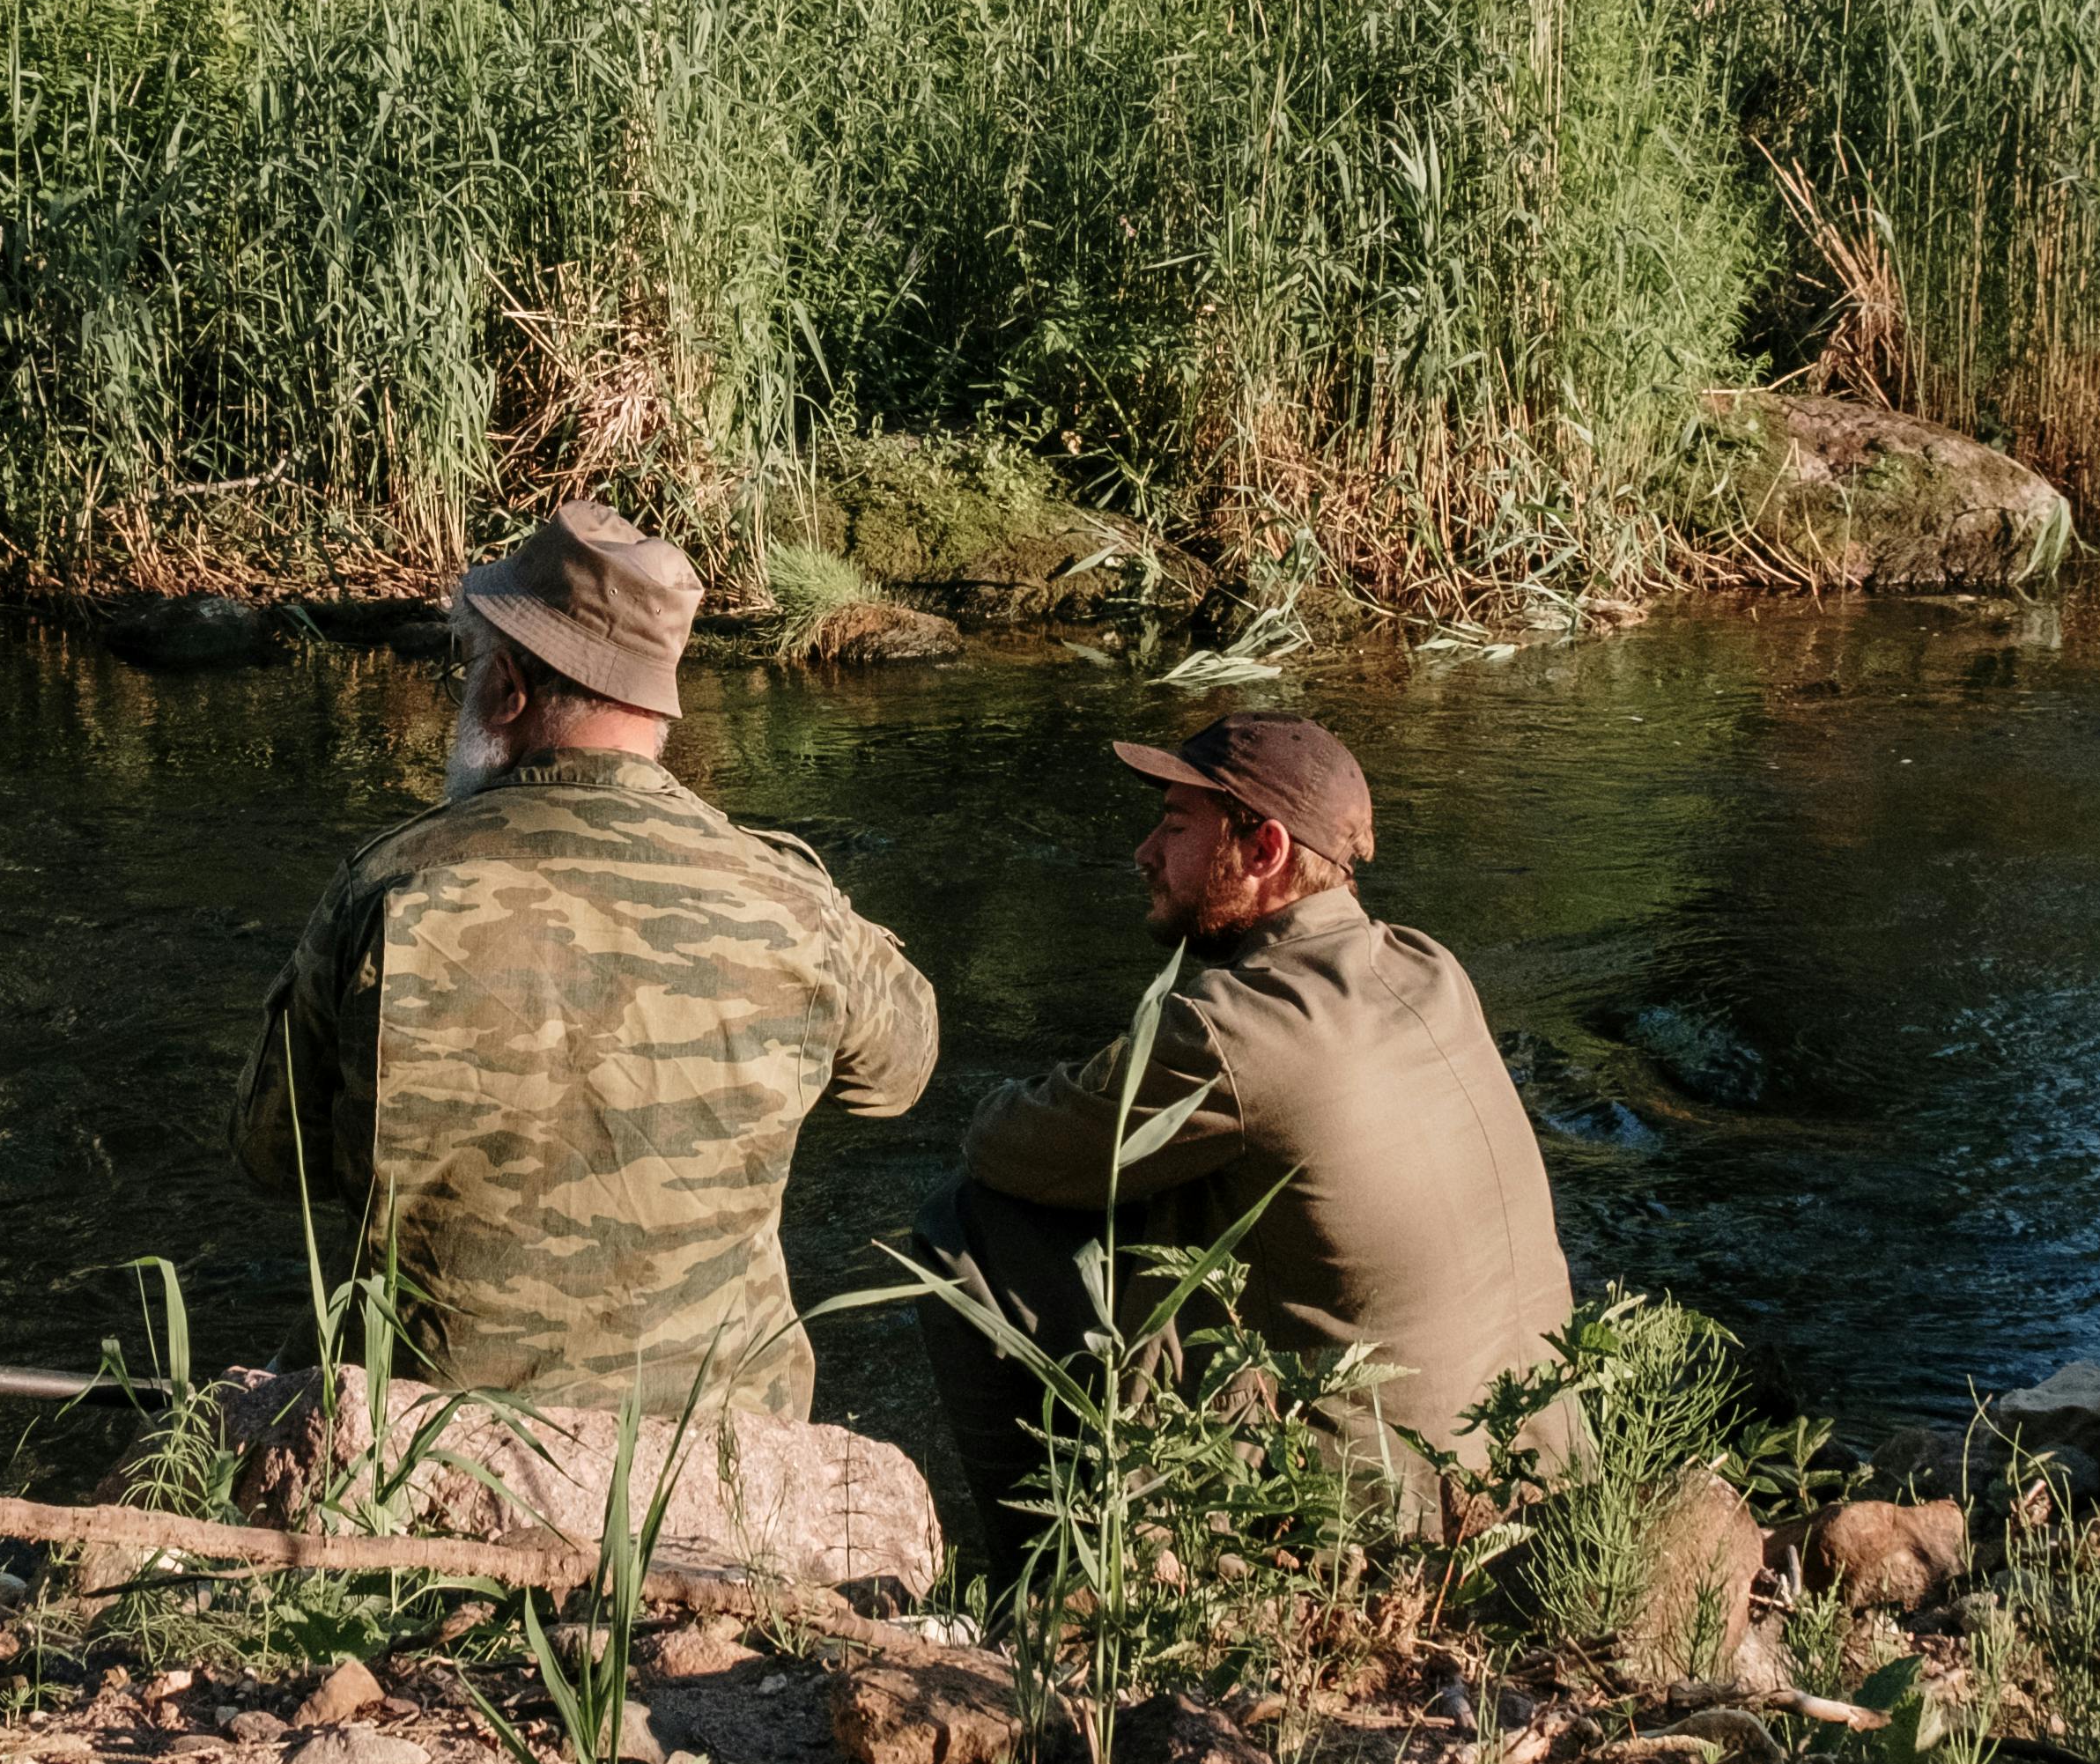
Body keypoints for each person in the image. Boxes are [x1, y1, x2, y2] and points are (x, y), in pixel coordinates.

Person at [233, 499, 940, 1420]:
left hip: (438, 1435)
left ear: (510, 688)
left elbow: (269, 1154)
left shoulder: (390, 886)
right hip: (720, 1439)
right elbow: (901, 1072)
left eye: (471, 663)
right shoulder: (791, 903)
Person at [925, 710, 1578, 1548]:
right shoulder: (1430, 965)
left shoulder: (1240, 1028)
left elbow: (1007, 1146)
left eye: (1174, 827)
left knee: (964, 1224)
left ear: (1264, 852)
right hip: (1538, 1471)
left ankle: (1046, 1580)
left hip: (1389, 1522)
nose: (1145, 853)